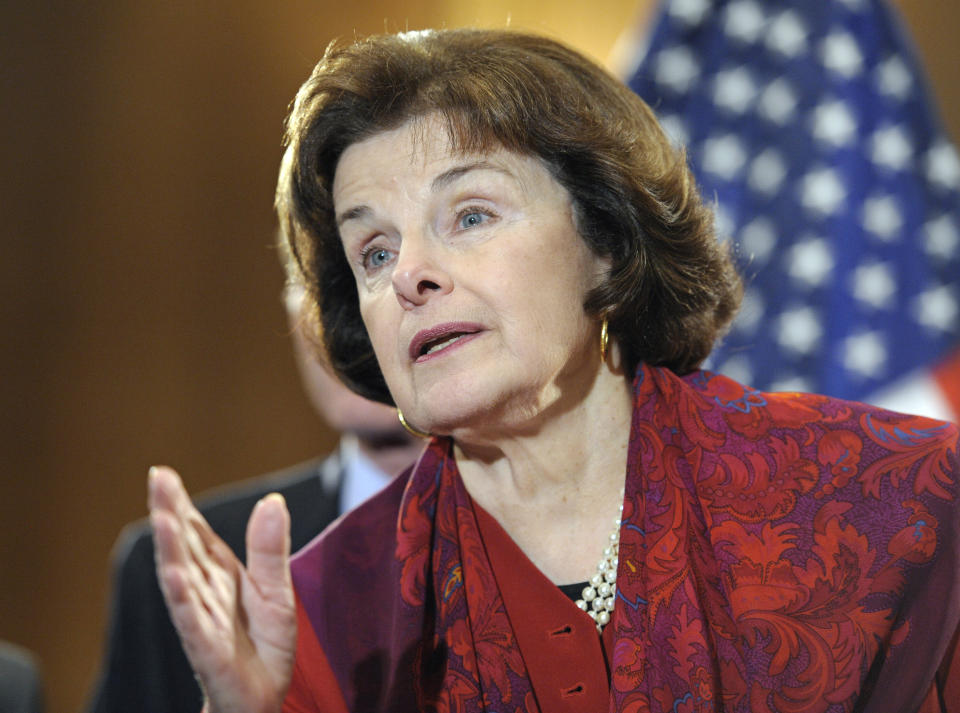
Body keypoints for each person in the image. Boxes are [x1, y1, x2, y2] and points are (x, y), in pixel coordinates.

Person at [147, 28, 960, 713]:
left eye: (469, 215)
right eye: (375, 250)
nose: (409, 276)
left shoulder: (901, 502)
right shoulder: (324, 617)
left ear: (605, 242)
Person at [86, 285, 422, 713]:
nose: (347, 315)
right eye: (316, 280)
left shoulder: (529, 545)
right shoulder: (177, 571)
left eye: (375, 260)